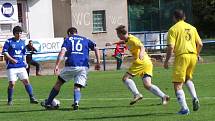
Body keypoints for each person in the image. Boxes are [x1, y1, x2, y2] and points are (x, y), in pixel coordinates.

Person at [106, 25, 169, 105]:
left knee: (125, 78)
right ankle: (164, 96)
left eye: (118, 34)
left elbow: (142, 46)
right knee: (147, 85)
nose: (117, 36)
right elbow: (124, 42)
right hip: (147, 63)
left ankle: (137, 94)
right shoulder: (127, 39)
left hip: (140, 62)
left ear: (121, 34)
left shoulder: (133, 39)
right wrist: (112, 43)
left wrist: (141, 54)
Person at [41, 27, 101, 110]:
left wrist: (57, 65)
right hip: (83, 67)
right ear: (77, 32)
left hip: (71, 65)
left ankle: (48, 102)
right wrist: (98, 62)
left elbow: (62, 52)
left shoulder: (68, 39)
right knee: (77, 86)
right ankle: (76, 102)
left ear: (69, 33)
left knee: (59, 83)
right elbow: (96, 49)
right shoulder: (85, 39)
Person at [164, 9, 203, 115]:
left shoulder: (173, 29)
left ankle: (184, 109)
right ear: (184, 17)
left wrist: (166, 61)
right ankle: (195, 97)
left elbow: (171, 47)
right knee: (187, 78)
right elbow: (200, 44)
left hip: (182, 56)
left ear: (174, 18)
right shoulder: (192, 28)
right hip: (193, 56)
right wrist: (197, 54)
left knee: (177, 84)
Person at [2, 26, 38, 105]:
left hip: (21, 66)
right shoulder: (9, 42)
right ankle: (10, 100)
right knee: (12, 83)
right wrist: (11, 59)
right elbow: (5, 52)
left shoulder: (22, 42)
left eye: (20, 33)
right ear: (14, 34)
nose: (19, 34)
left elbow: (24, 53)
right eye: (17, 33)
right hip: (11, 66)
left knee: (26, 81)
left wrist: (25, 62)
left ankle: (32, 97)